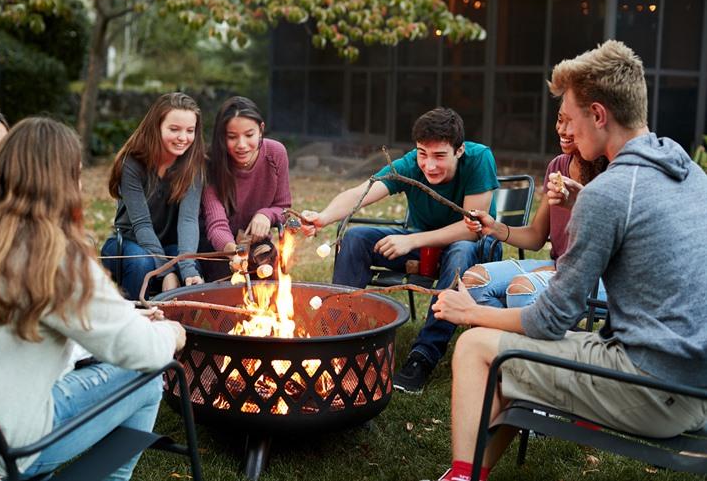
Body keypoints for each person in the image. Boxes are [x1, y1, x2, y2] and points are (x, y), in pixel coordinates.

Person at [431, 40, 707, 481]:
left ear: (599, 115)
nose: (568, 132)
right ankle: (467, 473)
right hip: (693, 381)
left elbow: (549, 321)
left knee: (475, 347)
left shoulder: (610, 192)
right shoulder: (688, 171)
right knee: (515, 366)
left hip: (654, 391)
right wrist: (589, 201)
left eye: (572, 119)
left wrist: (471, 313)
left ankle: (462, 478)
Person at [0, 117, 187, 481]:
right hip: (7, 454)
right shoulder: (53, 257)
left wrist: (125, 319)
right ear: (62, 183)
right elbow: (142, 351)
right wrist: (171, 334)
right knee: (149, 375)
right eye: (78, 174)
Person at [302, 107, 501, 394]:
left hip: (475, 251)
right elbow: (361, 192)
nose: (429, 165)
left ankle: (423, 356)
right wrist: (323, 217)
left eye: (439, 156)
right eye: (423, 153)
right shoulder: (409, 165)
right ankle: (338, 337)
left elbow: (472, 228)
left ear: (459, 151)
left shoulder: (479, 158)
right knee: (357, 237)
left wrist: (412, 241)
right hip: (424, 248)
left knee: (459, 251)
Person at [461, 111, 608, 310]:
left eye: (571, 122)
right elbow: (536, 236)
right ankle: (515, 335)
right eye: (559, 120)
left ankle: (524, 335)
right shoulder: (557, 166)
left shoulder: (612, 173)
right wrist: (493, 227)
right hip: (559, 267)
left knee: (522, 289)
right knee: (475, 281)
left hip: (600, 279)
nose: (561, 130)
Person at [101, 92, 206, 300]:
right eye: (174, 129)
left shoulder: (194, 166)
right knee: (143, 262)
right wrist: (165, 272)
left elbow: (187, 220)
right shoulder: (132, 163)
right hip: (128, 244)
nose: (183, 138)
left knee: (192, 264)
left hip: (169, 247)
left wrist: (187, 270)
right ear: (156, 127)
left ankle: (182, 328)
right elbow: (142, 225)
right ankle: (134, 320)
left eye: (190, 130)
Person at [199, 96, 291, 281]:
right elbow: (216, 223)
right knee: (227, 291)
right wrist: (234, 252)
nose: (241, 145)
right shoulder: (210, 163)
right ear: (222, 137)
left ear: (261, 130)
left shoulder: (276, 153)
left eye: (249, 135)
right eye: (232, 137)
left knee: (269, 281)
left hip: (257, 244)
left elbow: (284, 207)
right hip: (218, 249)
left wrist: (266, 214)